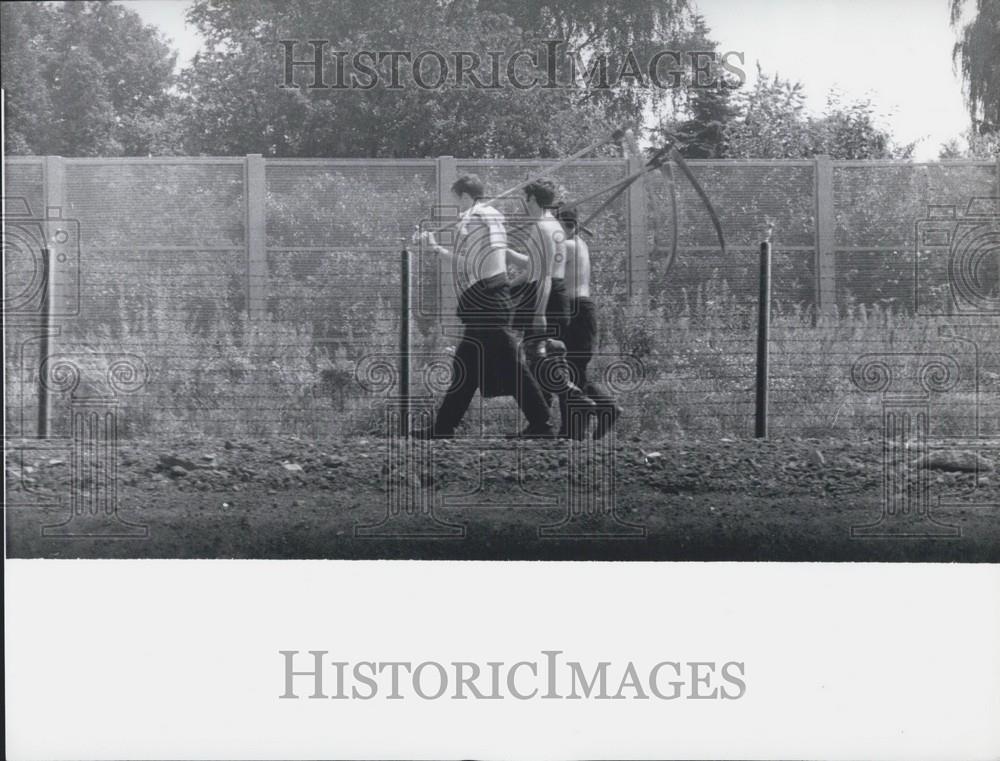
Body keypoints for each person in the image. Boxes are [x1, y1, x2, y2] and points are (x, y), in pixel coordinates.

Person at [411, 174, 554, 439]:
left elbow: (472, 263)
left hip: (487, 300)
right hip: (488, 298)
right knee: (465, 366)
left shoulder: (476, 219)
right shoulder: (492, 216)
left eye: (457, 200)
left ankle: (543, 423)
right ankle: (443, 428)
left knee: (512, 365)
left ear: (465, 196)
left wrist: (435, 249)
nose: (458, 207)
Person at [507, 180, 595, 437]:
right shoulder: (550, 226)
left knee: (536, 356)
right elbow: (536, 266)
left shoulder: (545, 227)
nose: (524, 202)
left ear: (532, 198)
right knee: (541, 357)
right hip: (548, 292)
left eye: (525, 197)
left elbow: (545, 275)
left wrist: (539, 312)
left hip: (546, 294)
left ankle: (569, 399)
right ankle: (544, 421)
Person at [556, 204, 623, 439]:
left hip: (575, 311)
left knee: (566, 372)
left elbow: (544, 269)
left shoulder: (568, 246)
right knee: (574, 372)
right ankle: (598, 414)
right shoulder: (580, 244)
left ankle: (578, 426)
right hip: (581, 310)